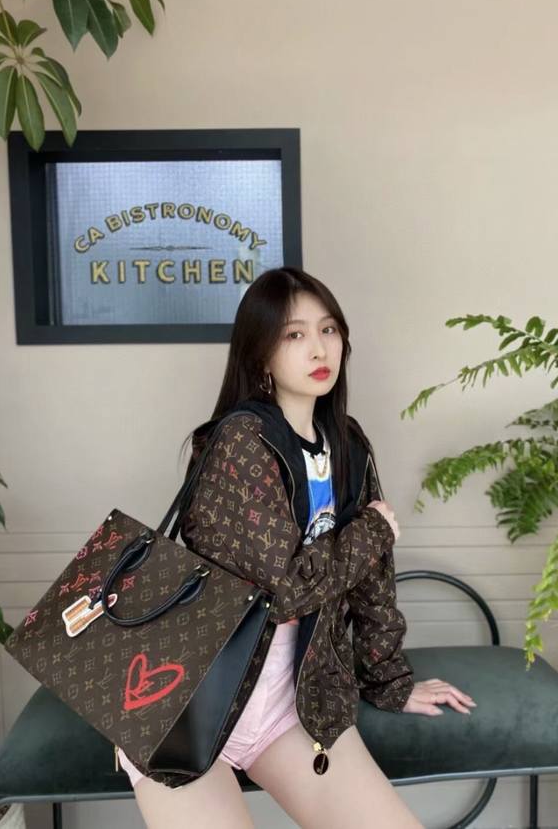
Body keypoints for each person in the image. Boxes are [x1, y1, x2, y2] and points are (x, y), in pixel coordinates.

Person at [116, 266, 476, 828]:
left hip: (294, 700)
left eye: (328, 329)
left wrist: (388, 680)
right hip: (184, 699)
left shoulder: (348, 443)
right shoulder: (240, 440)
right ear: (261, 352)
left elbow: (371, 580)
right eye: (294, 334)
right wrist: (372, 531)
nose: (318, 348)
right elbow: (279, 592)